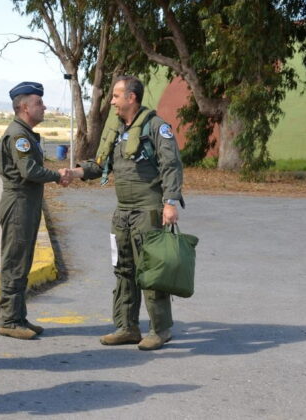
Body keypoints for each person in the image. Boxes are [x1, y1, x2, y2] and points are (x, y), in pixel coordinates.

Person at [69, 75, 184, 351]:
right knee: (123, 269)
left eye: (116, 96)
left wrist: (169, 203)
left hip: (148, 211)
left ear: (131, 98)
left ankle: (161, 329)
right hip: (122, 212)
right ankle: (126, 327)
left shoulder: (156, 127)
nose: (112, 102)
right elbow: (99, 165)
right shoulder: (117, 130)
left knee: (151, 271)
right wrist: (76, 172)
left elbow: (172, 165)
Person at [0, 81, 70, 340]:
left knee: (22, 261)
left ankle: (18, 316)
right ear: (25, 107)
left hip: (25, 204)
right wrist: (56, 174)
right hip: (18, 204)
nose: (44, 106)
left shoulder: (25, 133)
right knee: (15, 262)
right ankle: (9, 319)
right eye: (39, 103)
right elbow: (29, 171)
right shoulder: (19, 135)